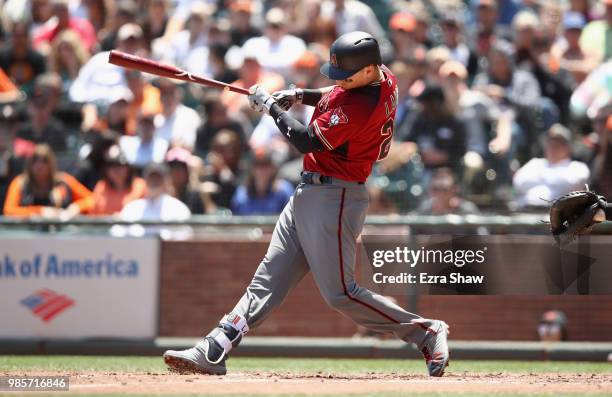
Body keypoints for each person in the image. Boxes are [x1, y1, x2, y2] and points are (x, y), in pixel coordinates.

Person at [163, 31, 450, 378]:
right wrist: (300, 95)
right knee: (267, 280)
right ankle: (215, 346)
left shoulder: (361, 106)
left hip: (336, 196)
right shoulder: (381, 76)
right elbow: (336, 91)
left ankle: (426, 331)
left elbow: (305, 140)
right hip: (309, 191)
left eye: (346, 74)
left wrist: (270, 108)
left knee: (341, 293)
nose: (339, 80)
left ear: (367, 69)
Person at [3, 144, 93, 218]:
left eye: (44, 161)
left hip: (60, 234)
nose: (39, 166)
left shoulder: (64, 181)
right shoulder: (19, 183)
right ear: (29, 164)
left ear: (51, 164)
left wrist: (76, 207)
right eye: (35, 161)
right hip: (27, 234)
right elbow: (9, 210)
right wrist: (41, 212)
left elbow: (92, 199)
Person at [513, 124, 590, 208]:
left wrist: (540, 176)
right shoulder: (535, 163)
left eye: (557, 143)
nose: (552, 146)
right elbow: (518, 182)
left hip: (558, 215)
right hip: (525, 210)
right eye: (549, 142)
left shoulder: (577, 167)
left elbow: (569, 184)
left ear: (568, 147)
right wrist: (553, 177)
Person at [230, 149, 293, 215]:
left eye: (265, 164)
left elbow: (292, 217)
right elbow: (236, 219)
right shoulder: (242, 192)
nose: (261, 169)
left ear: (273, 168)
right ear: (251, 168)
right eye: (257, 164)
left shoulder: (284, 190)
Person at [119, 163, 191, 222]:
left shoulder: (178, 209)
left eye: (158, 178)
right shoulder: (131, 208)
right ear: (145, 181)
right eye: (151, 178)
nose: (154, 181)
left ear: (166, 181)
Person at [89, 145, 146, 215]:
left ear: (128, 168)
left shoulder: (141, 186)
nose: (116, 170)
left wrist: (123, 217)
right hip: (106, 225)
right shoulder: (101, 187)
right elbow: (94, 216)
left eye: (119, 165)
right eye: (111, 166)